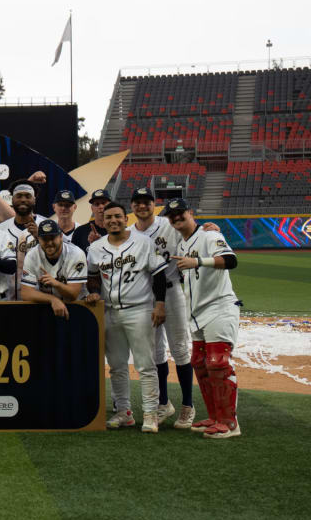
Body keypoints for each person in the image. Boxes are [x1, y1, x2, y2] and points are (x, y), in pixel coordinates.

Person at [85, 202, 168, 433]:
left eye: (118, 217)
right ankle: (124, 412)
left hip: (139, 309)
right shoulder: (96, 248)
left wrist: (160, 304)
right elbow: (92, 276)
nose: (113, 220)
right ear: (103, 220)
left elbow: (159, 275)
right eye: (109, 217)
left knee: (145, 364)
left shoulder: (143, 242)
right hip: (110, 311)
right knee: (117, 366)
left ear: (125, 218)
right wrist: (93, 291)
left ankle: (151, 413)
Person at [164, 198, 243, 439]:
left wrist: (198, 261)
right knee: (200, 363)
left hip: (219, 308)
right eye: (172, 216)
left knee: (218, 363)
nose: (177, 218)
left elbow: (231, 260)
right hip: (197, 314)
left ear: (190, 212)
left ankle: (230, 423)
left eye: (180, 213)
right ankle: (215, 416)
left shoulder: (209, 236)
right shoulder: (184, 245)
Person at [130, 187, 196, 429]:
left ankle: (188, 405)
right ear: (132, 207)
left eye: (146, 201)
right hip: (146, 294)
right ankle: (163, 403)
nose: (142, 206)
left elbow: (191, 233)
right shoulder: (129, 232)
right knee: (156, 351)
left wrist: (210, 228)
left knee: (179, 349)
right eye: (137, 202)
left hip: (171, 290)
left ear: (153, 204)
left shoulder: (168, 224)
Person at [19, 219, 86, 319]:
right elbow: (25, 293)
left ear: (61, 237)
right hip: (47, 307)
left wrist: (55, 283)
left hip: (76, 307)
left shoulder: (75, 253)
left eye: (52, 238)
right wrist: (52, 299)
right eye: (45, 239)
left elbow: (73, 294)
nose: (49, 242)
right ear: (39, 239)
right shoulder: (32, 255)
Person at [0, 180, 45, 300]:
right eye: (19, 196)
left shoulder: (47, 225)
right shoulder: (0, 229)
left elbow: (59, 258)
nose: (23, 199)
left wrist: (41, 238)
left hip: (39, 296)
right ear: (12, 200)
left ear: (34, 200)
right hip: (6, 297)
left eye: (28, 196)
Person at [72, 189, 110, 253]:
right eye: (97, 204)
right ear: (92, 208)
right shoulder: (80, 232)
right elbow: (73, 257)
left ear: (110, 205)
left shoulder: (121, 230)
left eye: (103, 203)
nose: (101, 206)